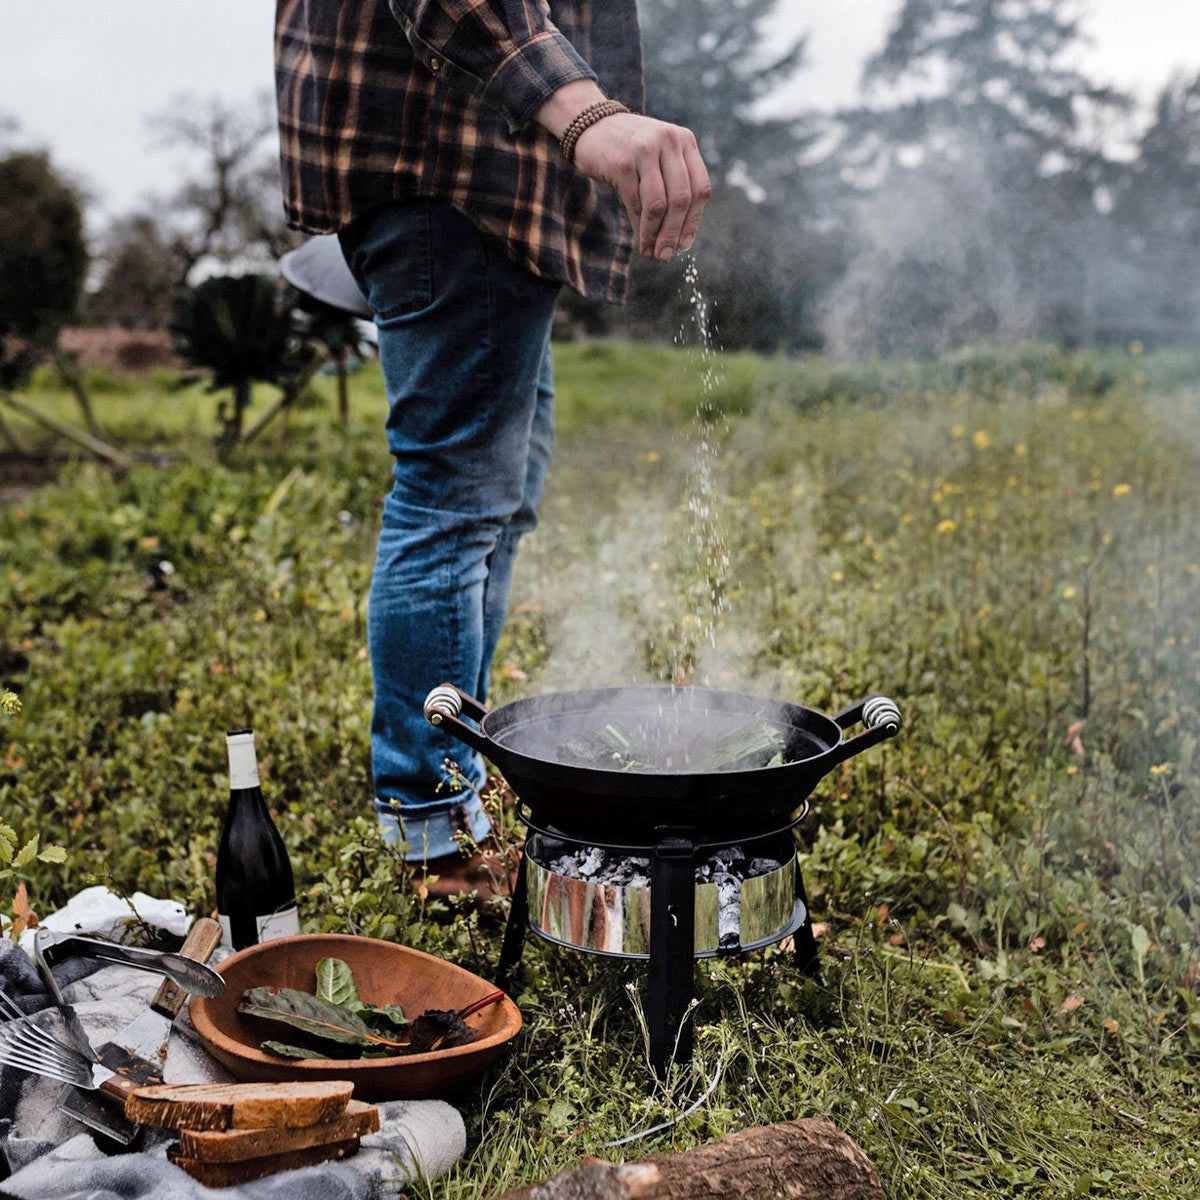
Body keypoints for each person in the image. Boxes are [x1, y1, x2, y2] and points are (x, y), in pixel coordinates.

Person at [274, 0, 711, 898]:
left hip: (483, 187)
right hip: (454, 173)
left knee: (494, 505)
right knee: (452, 506)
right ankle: (432, 837)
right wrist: (589, 114)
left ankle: (457, 791)